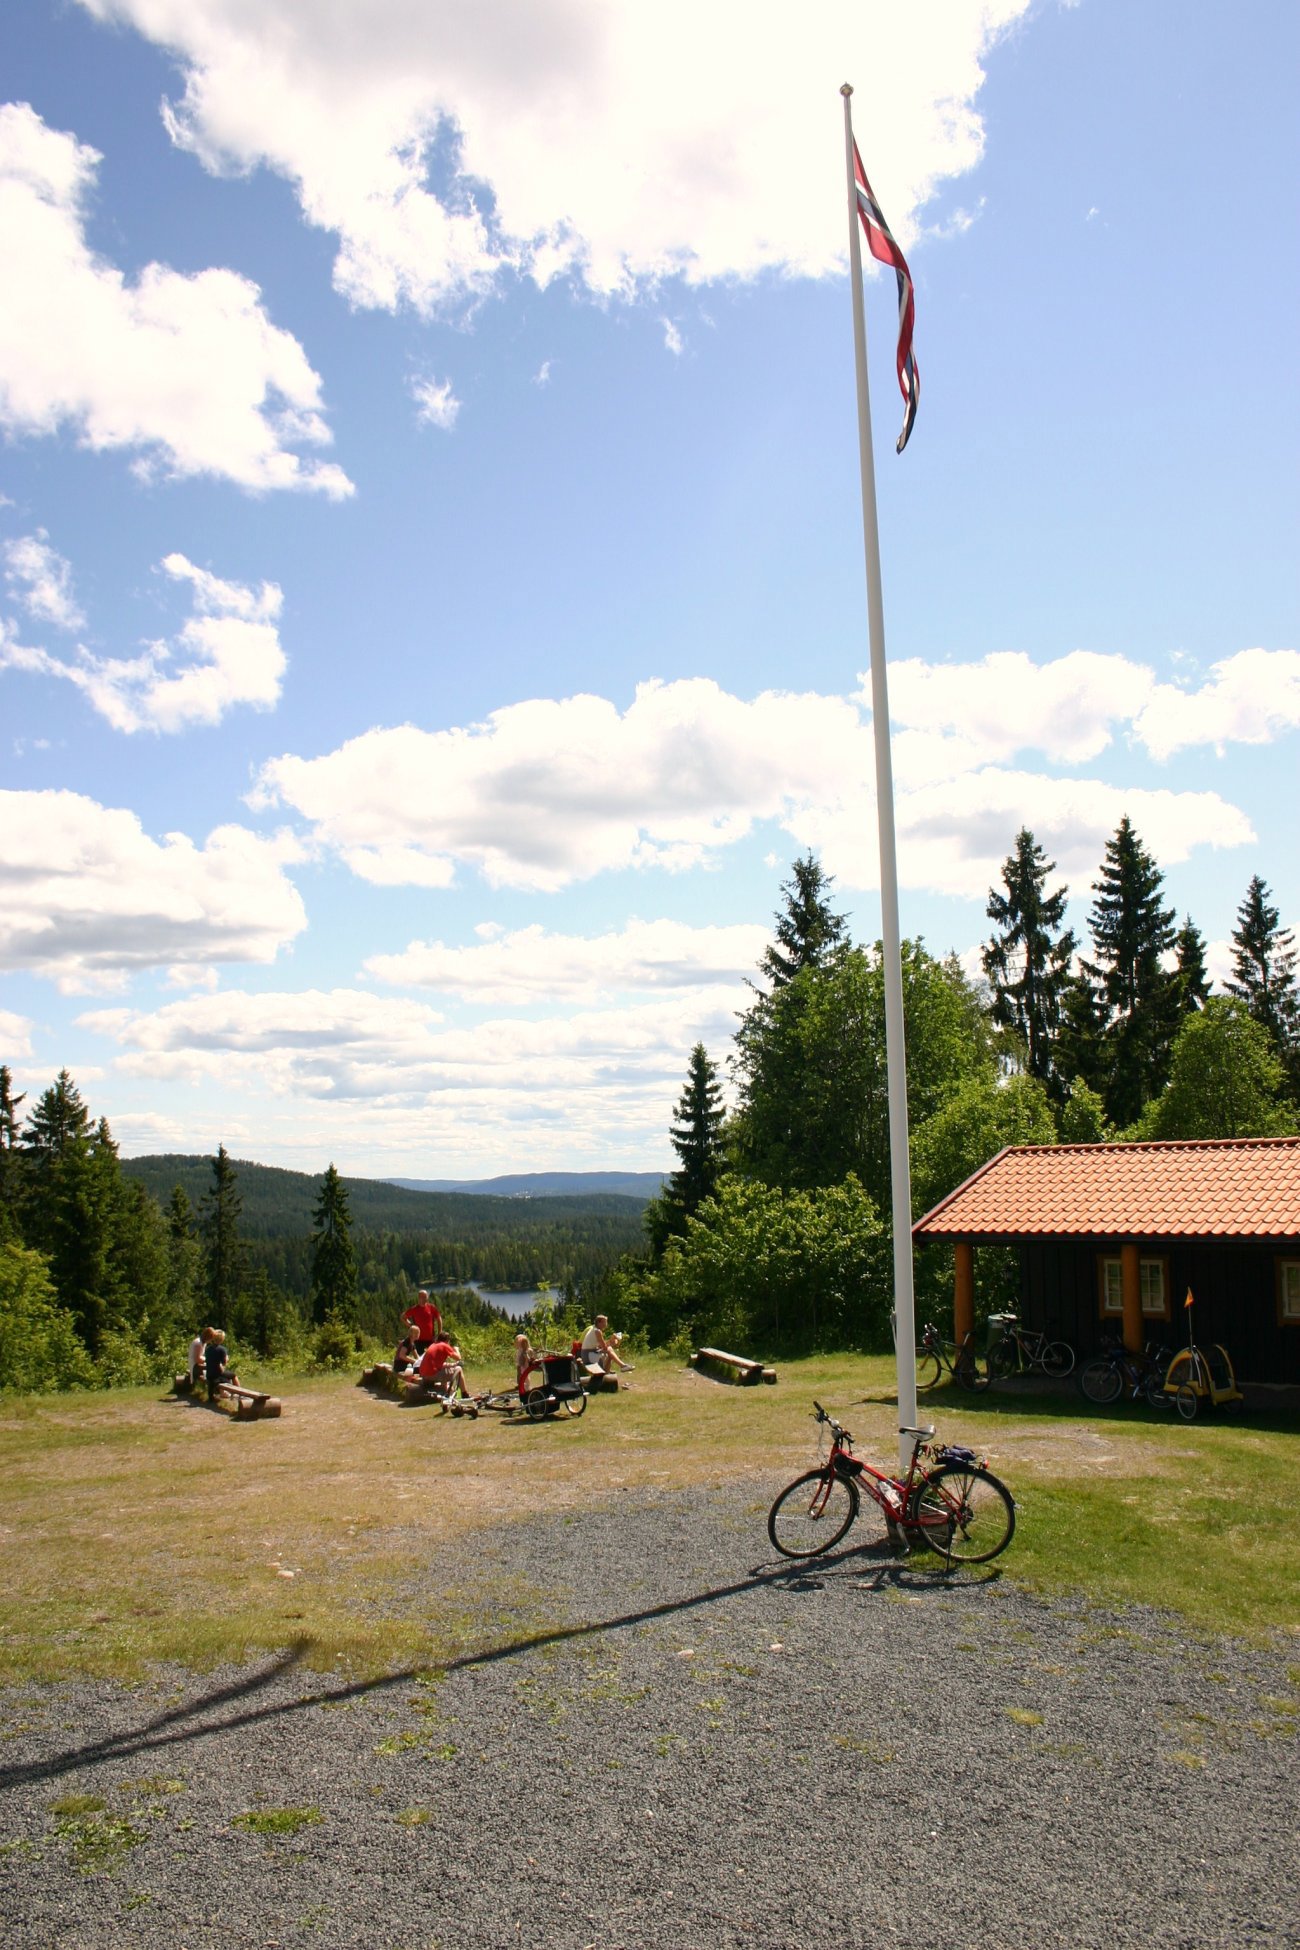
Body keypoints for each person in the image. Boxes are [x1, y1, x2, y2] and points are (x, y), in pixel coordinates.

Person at [203, 1328, 239, 1401]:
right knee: (233, 1375)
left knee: (224, 1373)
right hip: (218, 1375)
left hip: (209, 1374)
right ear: (222, 1339)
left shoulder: (208, 1349)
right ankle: (238, 1392)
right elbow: (224, 1363)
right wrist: (227, 1358)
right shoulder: (222, 1349)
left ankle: (223, 1393)